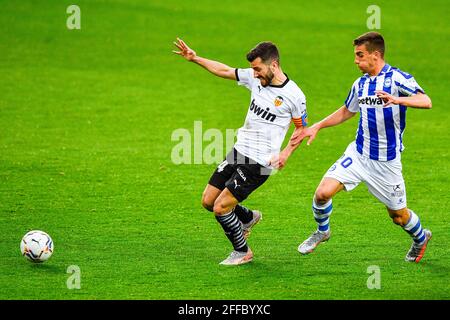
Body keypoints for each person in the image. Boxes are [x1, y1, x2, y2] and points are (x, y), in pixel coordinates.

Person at [290, 32, 432, 263]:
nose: (356, 61)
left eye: (360, 55)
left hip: (386, 162)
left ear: (375, 55)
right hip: (358, 154)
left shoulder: (397, 79)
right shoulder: (361, 83)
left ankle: (420, 238)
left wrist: (398, 100)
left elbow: (426, 101)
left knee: (398, 216)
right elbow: (347, 110)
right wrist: (317, 126)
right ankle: (323, 231)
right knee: (322, 193)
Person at [173, 38, 308, 265]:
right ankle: (247, 217)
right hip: (239, 151)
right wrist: (195, 58)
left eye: (257, 69)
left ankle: (243, 251)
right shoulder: (255, 79)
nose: (254, 74)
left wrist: (286, 153)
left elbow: (301, 128)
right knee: (208, 201)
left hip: (260, 163)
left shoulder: (294, 96)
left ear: (273, 65)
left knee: (221, 208)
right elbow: (224, 70)